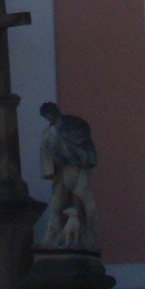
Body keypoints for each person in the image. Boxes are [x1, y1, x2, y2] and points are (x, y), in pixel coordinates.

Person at [37, 102, 100, 250]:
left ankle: (86, 237)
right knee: (56, 203)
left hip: (75, 168)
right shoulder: (52, 131)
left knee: (80, 198)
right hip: (63, 171)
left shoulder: (70, 127)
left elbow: (80, 146)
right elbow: (48, 153)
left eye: (48, 115)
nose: (48, 118)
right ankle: (51, 237)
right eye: (46, 116)